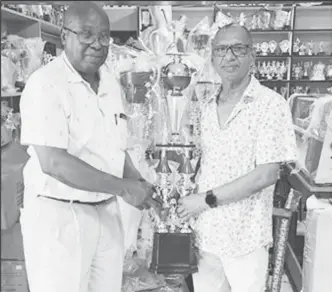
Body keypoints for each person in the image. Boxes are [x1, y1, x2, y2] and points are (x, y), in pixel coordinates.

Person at [19, 2, 159, 292]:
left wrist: (137, 180)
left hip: (106, 212)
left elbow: (113, 148)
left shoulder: (109, 81)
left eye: (104, 36)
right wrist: (123, 188)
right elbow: (54, 162)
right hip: (60, 217)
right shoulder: (45, 84)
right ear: (63, 36)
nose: (97, 44)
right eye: (86, 34)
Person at [177, 23, 298, 292]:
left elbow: (267, 174)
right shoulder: (207, 106)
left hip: (245, 238)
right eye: (221, 49)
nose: (229, 56)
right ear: (213, 58)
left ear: (252, 55)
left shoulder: (270, 104)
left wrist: (205, 200)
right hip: (206, 236)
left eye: (238, 48)